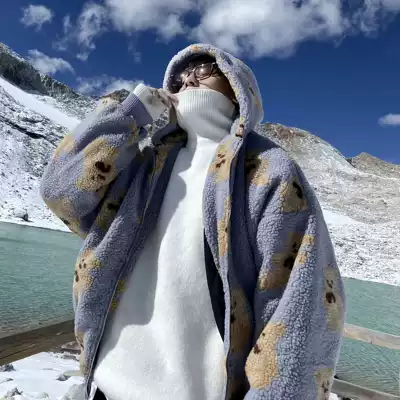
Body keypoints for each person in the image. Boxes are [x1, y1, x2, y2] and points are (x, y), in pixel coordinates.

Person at [40, 43, 346, 400]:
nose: (188, 79)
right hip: (105, 388)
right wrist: (132, 114)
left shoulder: (267, 170)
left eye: (203, 68)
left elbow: (302, 304)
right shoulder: (145, 167)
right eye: (180, 76)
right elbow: (60, 191)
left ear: (237, 85)